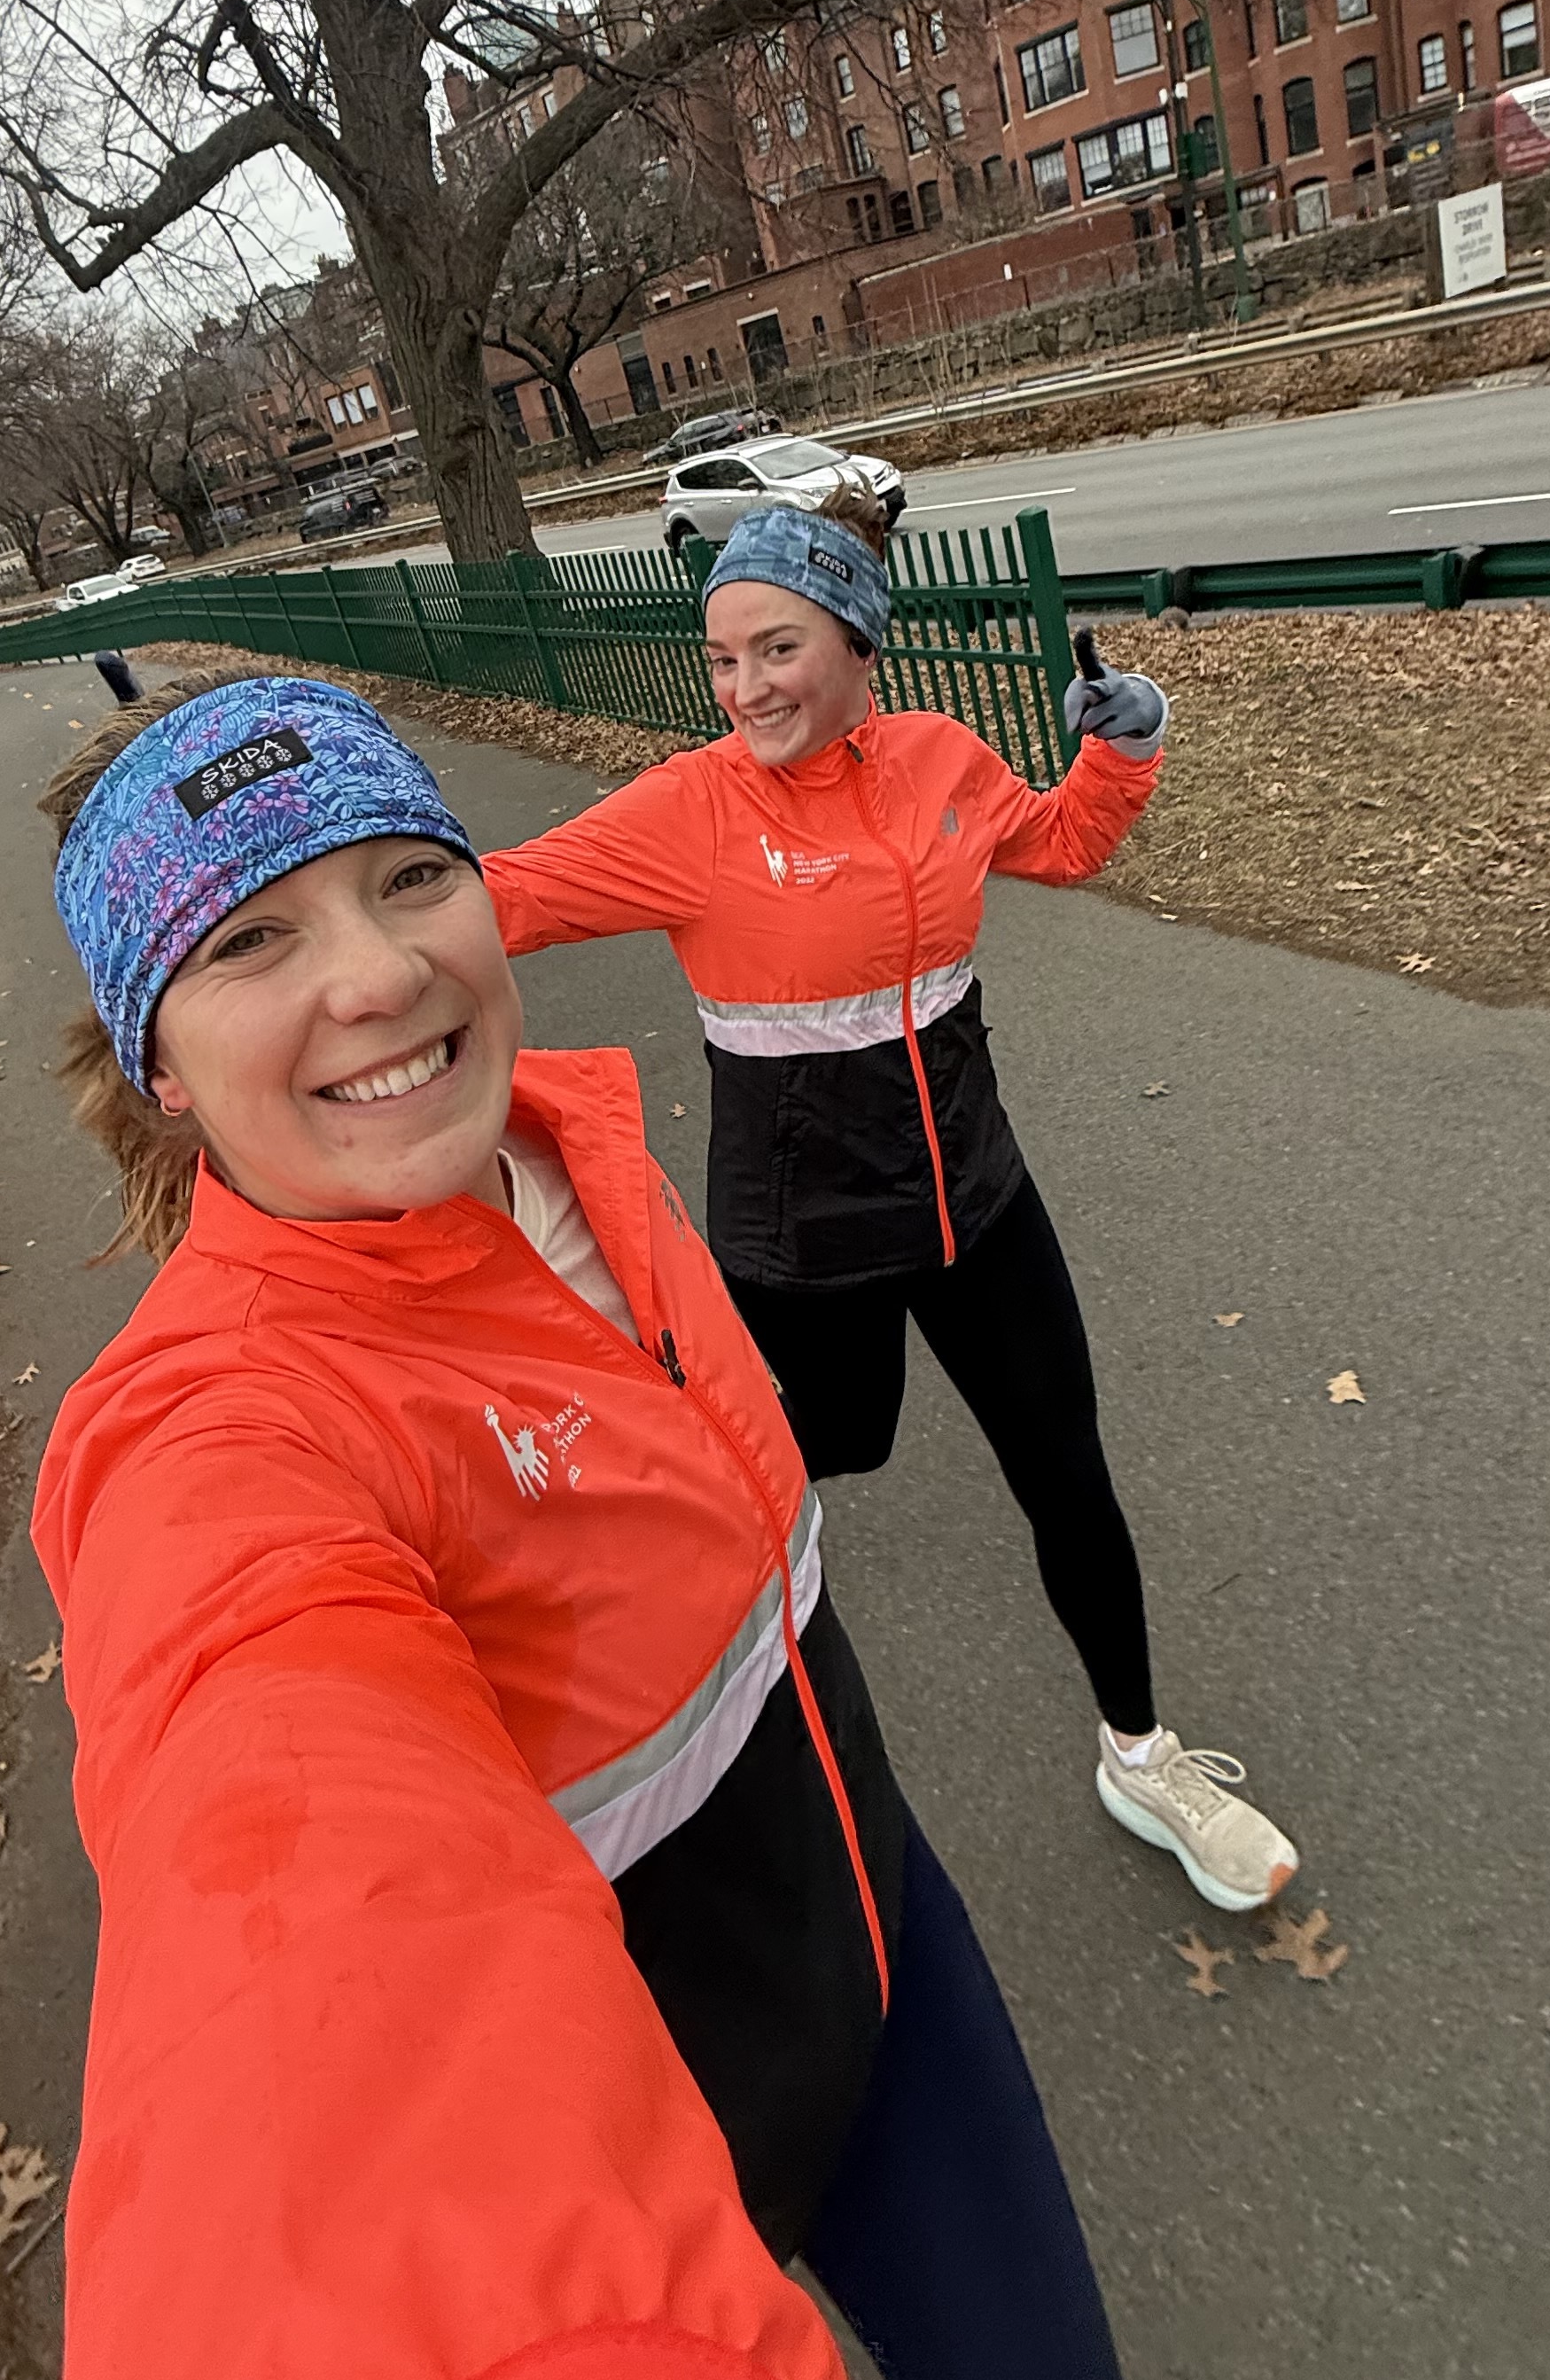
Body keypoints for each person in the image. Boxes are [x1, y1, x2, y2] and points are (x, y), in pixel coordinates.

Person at [19, 674, 1172, 2380]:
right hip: (633, 2117)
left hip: (887, 1951)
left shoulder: (591, 1152)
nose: (376, 976)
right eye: (252, 941)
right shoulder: (220, 1433)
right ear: (160, 1065)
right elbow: (288, 1922)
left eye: (407, 881)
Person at [481, 496, 1297, 1917]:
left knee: (1067, 1471)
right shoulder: (690, 810)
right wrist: (322, 896)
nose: (745, 690)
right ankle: (678, 1701)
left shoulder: (939, 762)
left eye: (777, 649)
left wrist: (1128, 741)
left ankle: (1141, 1754)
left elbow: (1056, 843)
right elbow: (495, 901)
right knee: (815, 1462)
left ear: (857, 644)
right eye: (723, 659)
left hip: (979, 1200)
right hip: (804, 1242)